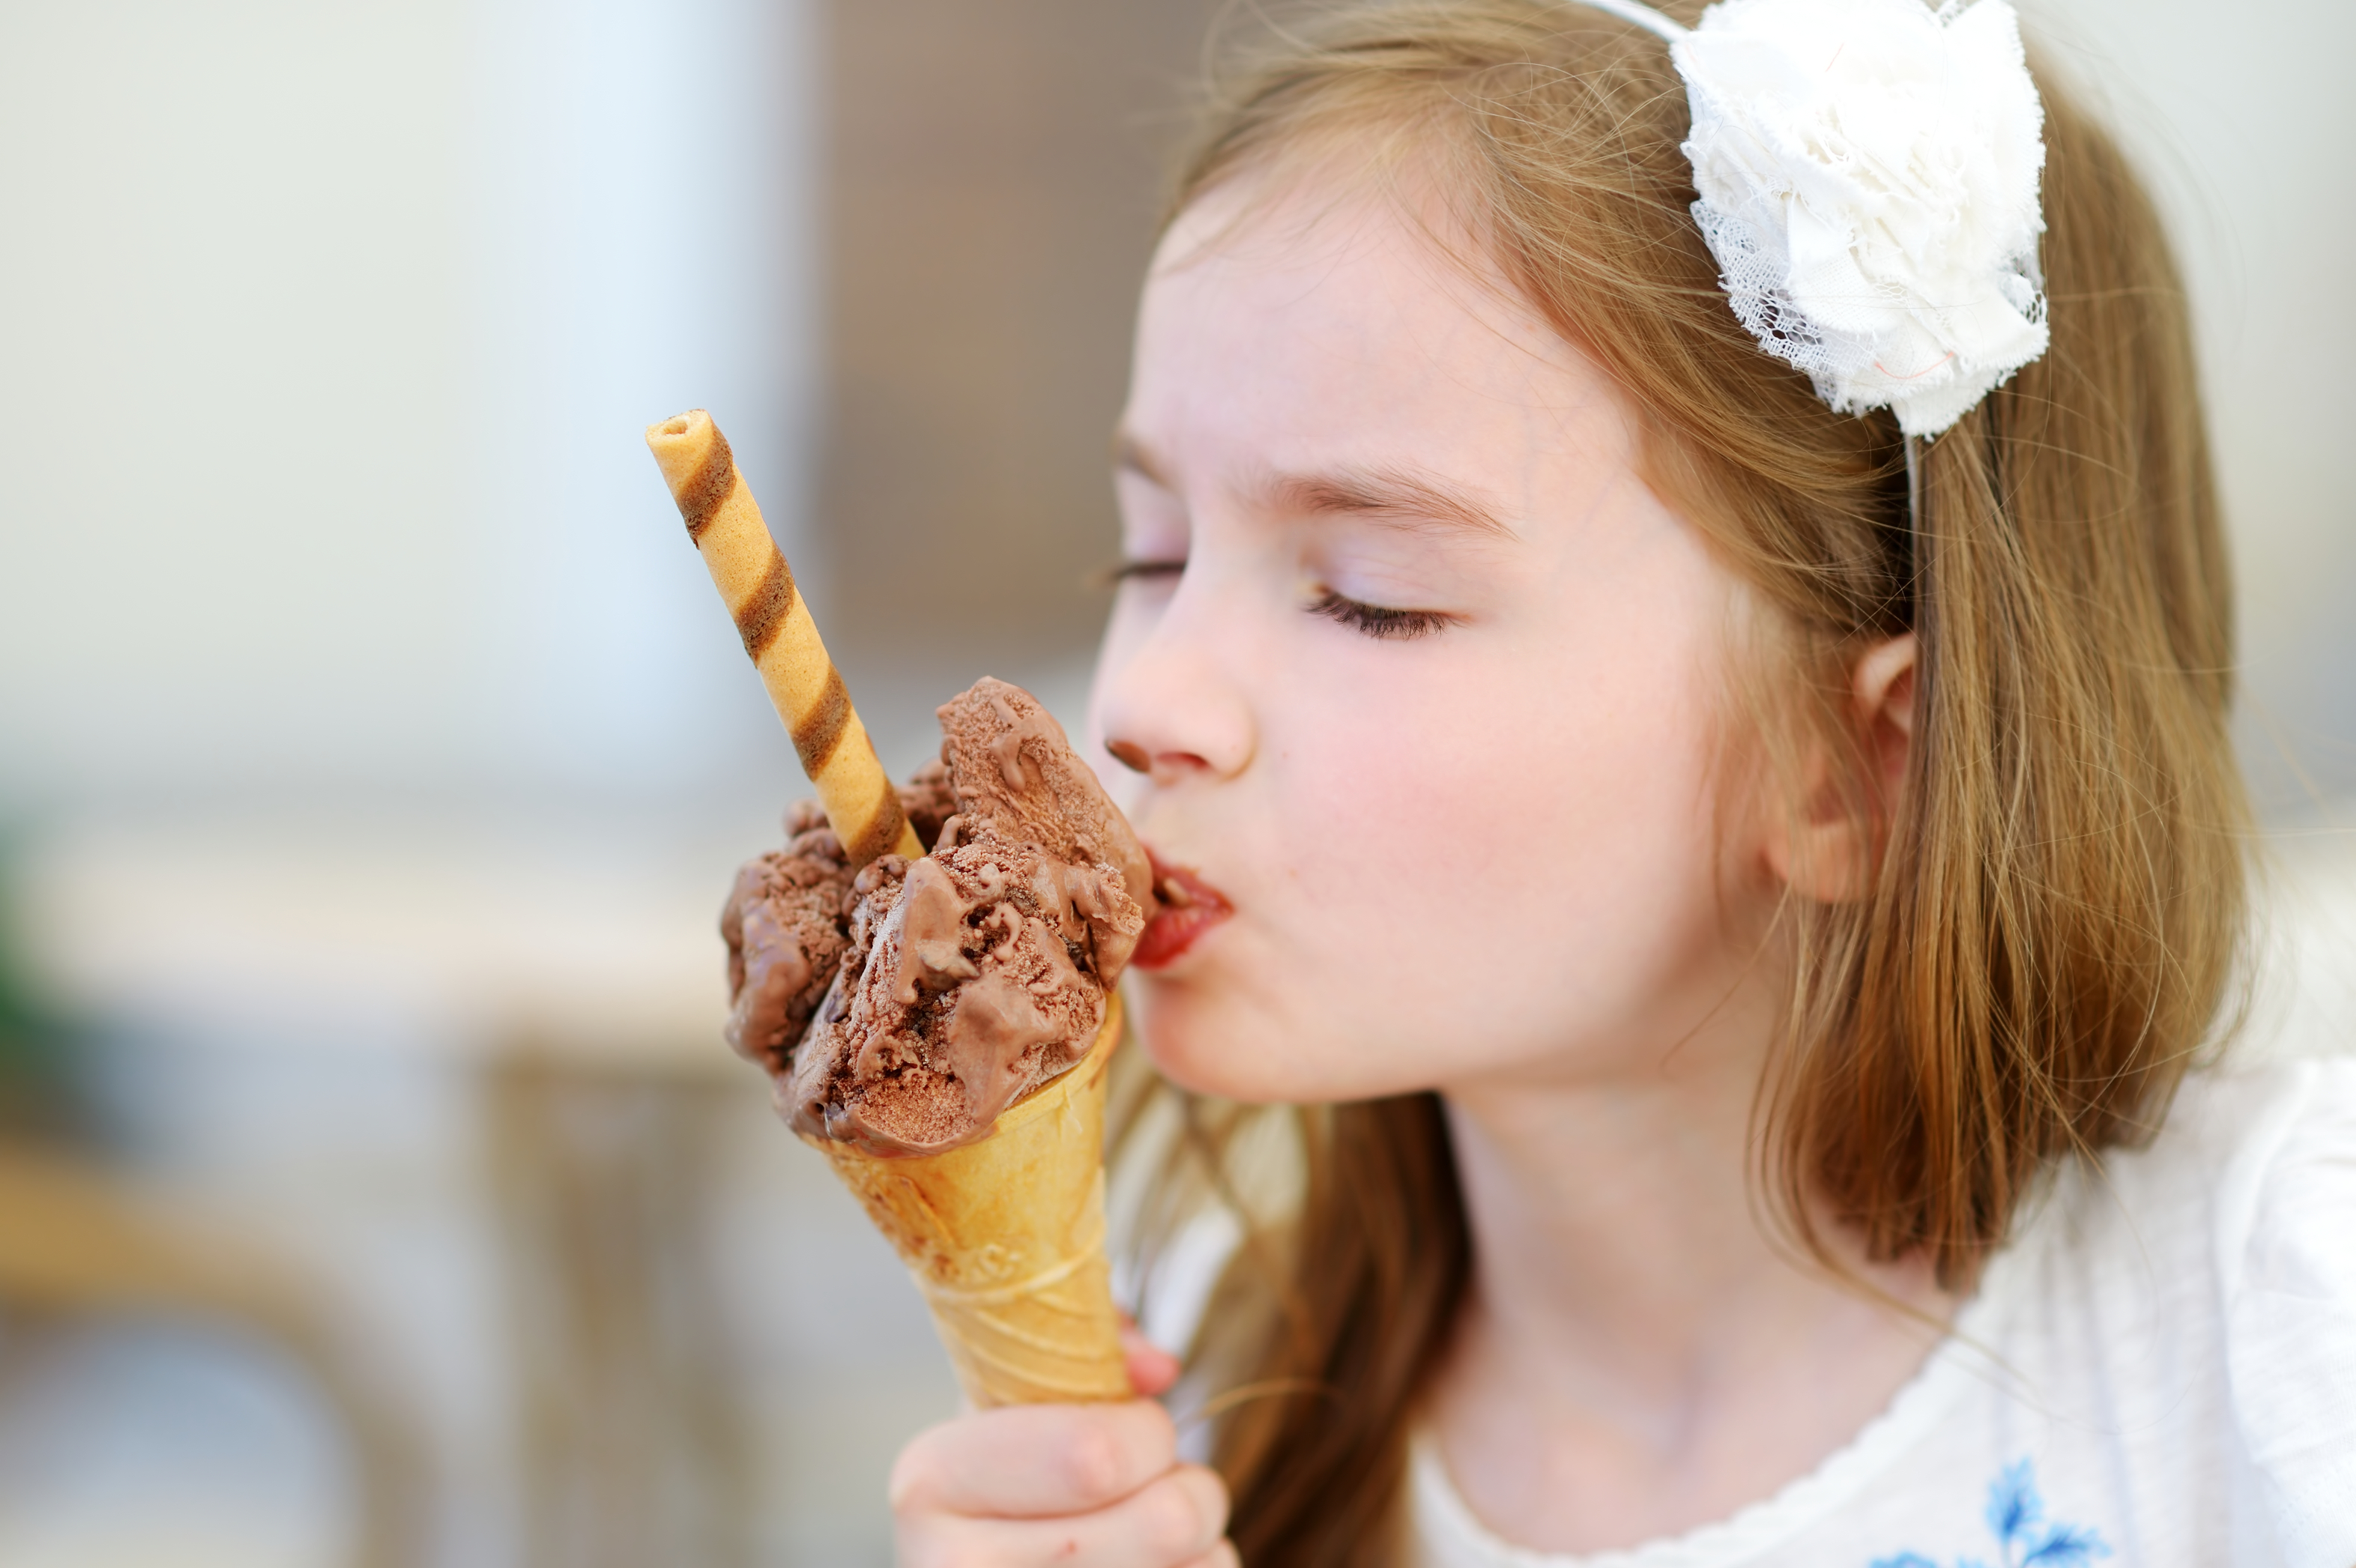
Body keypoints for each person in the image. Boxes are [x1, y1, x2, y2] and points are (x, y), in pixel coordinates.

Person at [885, 1, 2356, 1563]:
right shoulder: (1191, 1395)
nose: (1141, 696)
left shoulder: (2277, 1321)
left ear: (1862, 766)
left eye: (1371, 592)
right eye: (1155, 552)